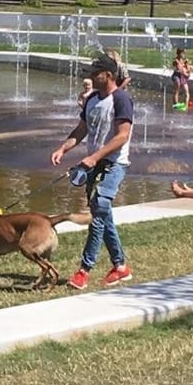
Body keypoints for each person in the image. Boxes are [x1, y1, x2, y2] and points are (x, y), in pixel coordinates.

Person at [50, 53, 135, 290]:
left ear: (108, 75)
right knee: (103, 213)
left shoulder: (121, 100)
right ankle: (120, 267)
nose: (90, 78)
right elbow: (81, 130)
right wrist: (63, 149)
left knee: (97, 214)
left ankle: (83, 271)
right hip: (95, 165)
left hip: (115, 165)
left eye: (94, 74)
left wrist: (94, 157)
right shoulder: (91, 100)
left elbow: (122, 136)